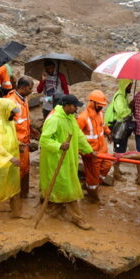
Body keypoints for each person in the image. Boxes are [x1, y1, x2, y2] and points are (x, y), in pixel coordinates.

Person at [39, 94, 95, 230]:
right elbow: (44, 140)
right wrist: (59, 145)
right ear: (67, 105)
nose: (76, 108)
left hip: (69, 160)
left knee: (61, 189)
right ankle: (78, 219)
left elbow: (79, 136)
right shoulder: (54, 119)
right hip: (57, 160)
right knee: (70, 190)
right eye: (74, 106)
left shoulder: (70, 118)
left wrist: (89, 150)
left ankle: (53, 213)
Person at [5, 76, 39, 198]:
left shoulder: (23, 99)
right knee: (17, 170)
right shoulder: (11, 102)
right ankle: (15, 197)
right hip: (17, 144)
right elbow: (7, 125)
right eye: (30, 88)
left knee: (25, 168)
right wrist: (16, 143)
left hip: (25, 140)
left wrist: (31, 129)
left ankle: (23, 195)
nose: (32, 91)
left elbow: (24, 119)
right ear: (23, 88)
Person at [77, 90, 112, 202]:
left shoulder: (100, 113)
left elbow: (103, 125)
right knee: (93, 176)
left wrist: (108, 133)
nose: (101, 107)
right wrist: (81, 151)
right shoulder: (83, 118)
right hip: (91, 153)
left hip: (102, 150)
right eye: (99, 105)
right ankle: (93, 197)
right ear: (92, 102)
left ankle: (92, 185)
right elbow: (76, 135)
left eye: (102, 105)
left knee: (107, 166)